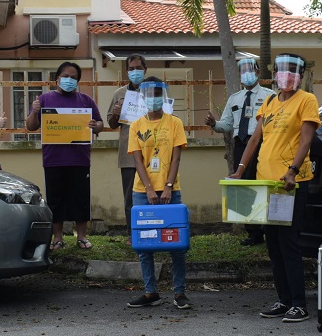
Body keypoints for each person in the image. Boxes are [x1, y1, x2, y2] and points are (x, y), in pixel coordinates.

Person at [231, 53, 320, 323]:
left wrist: (292, 170)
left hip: (289, 184)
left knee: (288, 243)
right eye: (283, 70)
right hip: (265, 184)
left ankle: (299, 304)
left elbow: (306, 141)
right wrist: (240, 170)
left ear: (301, 76)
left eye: (293, 71)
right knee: (272, 244)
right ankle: (283, 300)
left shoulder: (306, 100)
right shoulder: (269, 101)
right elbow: (255, 139)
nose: (287, 75)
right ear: (275, 73)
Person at [126, 78, 191, 309]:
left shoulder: (174, 123)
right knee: (144, 243)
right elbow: (137, 160)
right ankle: (150, 291)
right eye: (148, 94)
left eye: (157, 93)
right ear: (142, 97)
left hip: (171, 190)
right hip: (143, 192)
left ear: (163, 95)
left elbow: (176, 157)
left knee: (177, 243)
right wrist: (150, 188)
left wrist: (169, 186)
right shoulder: (136, 125)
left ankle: (180, 292)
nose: (152, 98)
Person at [25, 61, 104, 250]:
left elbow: (100, 124)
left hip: (80, 159)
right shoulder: (44, 100)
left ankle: (82, 237)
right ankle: (57, 238)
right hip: (54, 159)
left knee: (81, 198)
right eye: (66, 76)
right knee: (56, 199)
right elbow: (30, 126)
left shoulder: (86, 101)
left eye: (74, 77)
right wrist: (35, 111)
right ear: (57, 78)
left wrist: (95, 126)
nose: (70, 80)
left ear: (78, 81)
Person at [206, 57, 275, 245]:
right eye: (243, 72)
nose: (247, 74)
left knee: (261, 184)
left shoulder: (270, 96)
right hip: (240, 145)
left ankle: (269, 229)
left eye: (250, 70)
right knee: (244, 187)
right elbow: (226, 124)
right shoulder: (234, 98)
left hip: (262, 144)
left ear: (258, 72)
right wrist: (214, 124)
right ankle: (253, 233)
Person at [105, 54, 147, 241]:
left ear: (145, 70)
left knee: (154, 192)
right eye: (131, 69)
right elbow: (112, 124)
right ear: (126, 71)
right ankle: (132, 234)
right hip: (129, 153)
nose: (135, 72)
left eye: (138, 68)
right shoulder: (119, 94)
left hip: (153, 152)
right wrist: (115, 113)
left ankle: (152, 230)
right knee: (130, 196)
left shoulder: (154, 91)